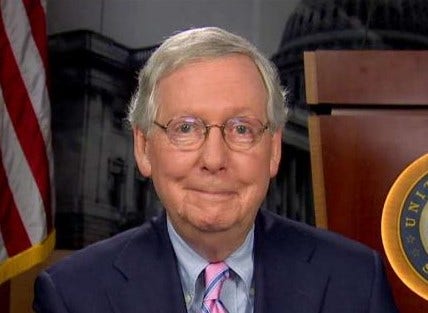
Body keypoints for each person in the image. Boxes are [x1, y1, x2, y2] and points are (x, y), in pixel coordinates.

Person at [33, 27, 398, 313]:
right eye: (185, 128)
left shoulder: (354, 282)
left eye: (241, 129)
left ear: (273, 150)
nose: (213, 158)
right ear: (144, 148)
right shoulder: (73, 295)